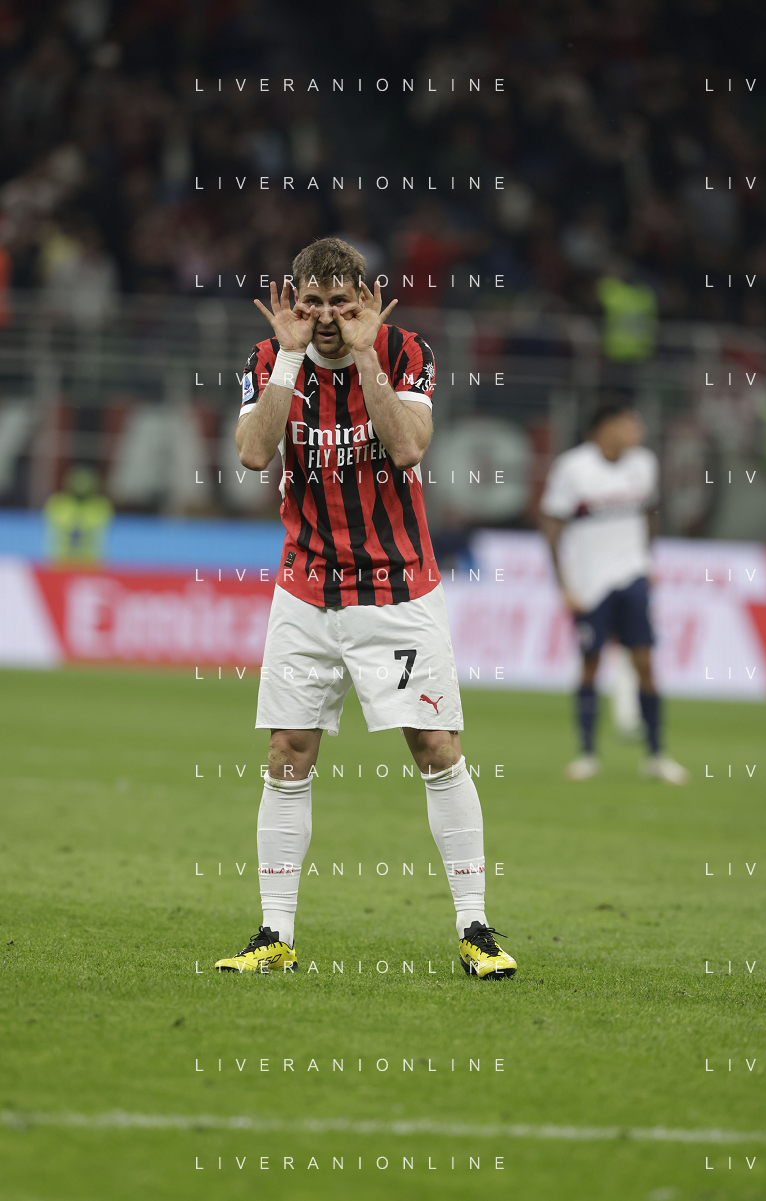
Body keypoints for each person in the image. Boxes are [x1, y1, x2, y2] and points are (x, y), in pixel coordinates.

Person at [214, 237, 515, 980]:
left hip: (397, 587)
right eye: (312, 303)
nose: (326, 317)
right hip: (307, 589)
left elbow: (407, 448)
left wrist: (366, 357)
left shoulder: (404, 350)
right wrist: (288, 361)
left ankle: (475, 928)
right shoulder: (269, 358)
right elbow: (254, 454)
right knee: (288, 752)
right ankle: (274, 934)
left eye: (341, 304)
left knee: (435, 747)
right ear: (293, 302)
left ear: (365, 299)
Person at [540, 401, 689, 785]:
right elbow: (552, 526)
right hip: (590, 584)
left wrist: (648, 560)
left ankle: (656, 755)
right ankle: (587, 755)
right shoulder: (573, 468)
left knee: (645, 664)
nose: (637, 431)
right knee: (590, 665)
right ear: (606, 428)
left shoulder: (644, 464)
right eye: (629, 424)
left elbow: (650, 513)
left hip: (632, 575)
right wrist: (564, 586)